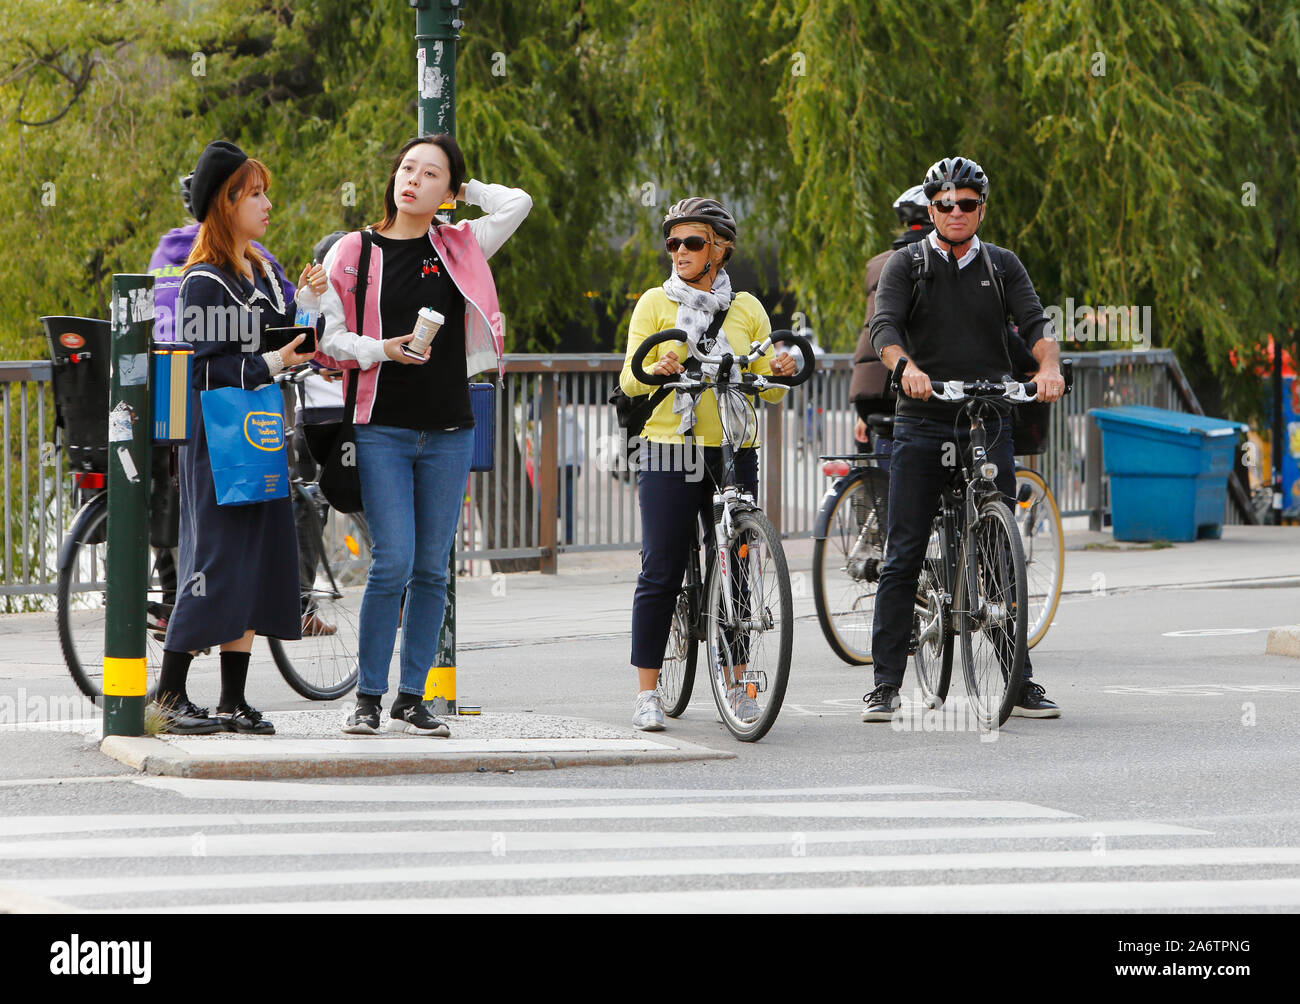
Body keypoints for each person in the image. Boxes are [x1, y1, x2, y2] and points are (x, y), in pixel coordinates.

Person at [316, 134, 531, 737]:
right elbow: (329, 340)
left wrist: (468, 191)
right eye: (407, 168)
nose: (412, 179)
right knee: (394, 563)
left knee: (435, 567)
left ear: (448, 193)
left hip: (449, 428)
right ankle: (367, 696)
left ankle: (413, 697)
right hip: (380, 427)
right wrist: (381, 350)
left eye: (431, 174)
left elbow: (518, 204)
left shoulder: (462, 244)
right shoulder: (354, 252)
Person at [864, 156, 1066, 722]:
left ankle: (1018, 679)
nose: (956, 212)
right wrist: (905, 367)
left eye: (967, 203)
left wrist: (1047, 368)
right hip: (924, 417)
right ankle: (884, 685)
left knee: (1001, 548)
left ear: (982, 208)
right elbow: (885, 328)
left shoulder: (1002, 266)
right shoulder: (908, 264)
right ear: (931, 209)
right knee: (903, 552)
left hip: (986, 415)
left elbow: (1036, 326)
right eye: (945, 204)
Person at [156, 140, 325, 734]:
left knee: (254, 559)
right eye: (253, 194)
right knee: (216, 558)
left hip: (259, 432)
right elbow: (204, 367)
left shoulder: (261, 271)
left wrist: (308, 305)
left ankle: (232, 698)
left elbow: (286, 338)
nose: (266, 203)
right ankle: (169, 695)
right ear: (224, 204)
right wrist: (273, 362)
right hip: (218, 436)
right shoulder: (202, 281)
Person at [620, 197, 796, 731]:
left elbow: (768, 390)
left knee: (738, 568)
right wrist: (658, 364)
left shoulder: (747, 309)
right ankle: (648, 693)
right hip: (668, 448)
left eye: (691, 242)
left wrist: (781, 369)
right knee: (662, 567)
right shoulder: (654, 302)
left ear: (719, 249)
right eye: (672, 242)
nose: (679, 252)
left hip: (733, 451)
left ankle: (740, 683)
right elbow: (630, 380)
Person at [849, 184, 933, 451]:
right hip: (904, 384)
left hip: (866, 390)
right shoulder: (930, 260)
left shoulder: (876, 263)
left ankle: (869, 488)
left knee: (881, 464)